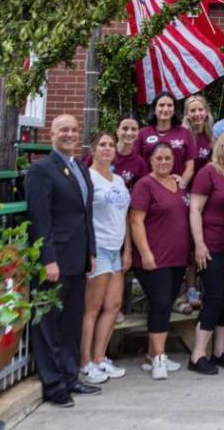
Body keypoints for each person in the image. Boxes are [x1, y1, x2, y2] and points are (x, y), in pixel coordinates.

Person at [26, 114, 98, 407]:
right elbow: (39, 218)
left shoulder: (80, 167)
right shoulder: (41, 169)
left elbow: (85, 214)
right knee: (48, 324)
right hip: (55, 260)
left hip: (78, 258)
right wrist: (47, 258)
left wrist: (90, 251)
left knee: (70, 323)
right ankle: (53, 384)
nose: (70, 134)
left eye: (73, 129)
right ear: (51, 134)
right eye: (63, 130)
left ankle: (70, 376)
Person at [128, 144, 192, 380]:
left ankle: (150, 354)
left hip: (177, 258)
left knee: (165, 304)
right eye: (159, 158)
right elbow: (135, 221)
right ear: (151, 160)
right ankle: (158, 357)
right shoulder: (145, 185)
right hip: (154, 258)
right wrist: (145, 253)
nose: (164, 161)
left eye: (168, 158)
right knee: (161, 303)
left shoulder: (178, 184)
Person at [187, 130, 224, 375]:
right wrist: (199, 244)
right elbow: (195, 210)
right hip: (213, 246)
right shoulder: (208, 173)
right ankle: (198, 354)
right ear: (219, 147)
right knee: (215, 297)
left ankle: (220, 352)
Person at [80, 132, 131, 385]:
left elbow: (125, 217)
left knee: (112, 306)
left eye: (111, 145)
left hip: (116, 249)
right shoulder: (88, 178)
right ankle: (85, 362)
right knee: (92, 309)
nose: (108, 148)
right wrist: (88, 250)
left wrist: (128, 249)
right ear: (93, 149)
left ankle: (100, 358)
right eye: (103, 144)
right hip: (98, 248)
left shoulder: (120, 180)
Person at [139, 95, 197, 185]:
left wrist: (180, 186)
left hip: (176, 188)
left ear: (174, 110)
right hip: (149, 188)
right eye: (161, 105)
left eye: (170, 105)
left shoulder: (185, 133)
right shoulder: (142, 133)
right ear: (154, 109)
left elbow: (190, 167)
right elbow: (137, 164)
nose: (165, 109)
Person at [112, 115, 149, 187]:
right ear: (117, 131)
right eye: (125, 128)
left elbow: (142, 189)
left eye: (133, 129)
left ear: (138, 133)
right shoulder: (102, 152)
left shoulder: (139, 163)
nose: (129, 133)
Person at [184, 95, 215, 166]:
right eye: (192, 110)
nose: (197, 114)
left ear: (206, 112)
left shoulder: (212, 134)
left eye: (200, 110)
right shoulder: (183, 135)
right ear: (187, 114)